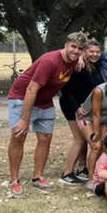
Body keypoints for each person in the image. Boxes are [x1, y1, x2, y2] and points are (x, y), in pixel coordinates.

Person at [7, 32, 86, 197]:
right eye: (73, 47)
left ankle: (37, 177)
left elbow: (82, 55)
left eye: (80, 49)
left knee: (45, 138)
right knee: (19, 136)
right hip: (23, 98)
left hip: (45, 101)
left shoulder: (74, 59)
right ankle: (14, 179)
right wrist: (24, 119)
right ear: (65, 45)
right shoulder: (49, 61)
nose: (76, 51)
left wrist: (80, 58)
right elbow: (31, 89)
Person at [60, 39, 104, 185]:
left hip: (87, 108)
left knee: (83, 139)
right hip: (73, 106)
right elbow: (66, 90)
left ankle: (81, 168)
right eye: (91, 51)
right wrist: (76, 108)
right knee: (79, 139)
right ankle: (67, 173)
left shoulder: (95, 65)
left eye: (97, 52)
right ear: (84, 52)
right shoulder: (78, 67)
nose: (95, 54)